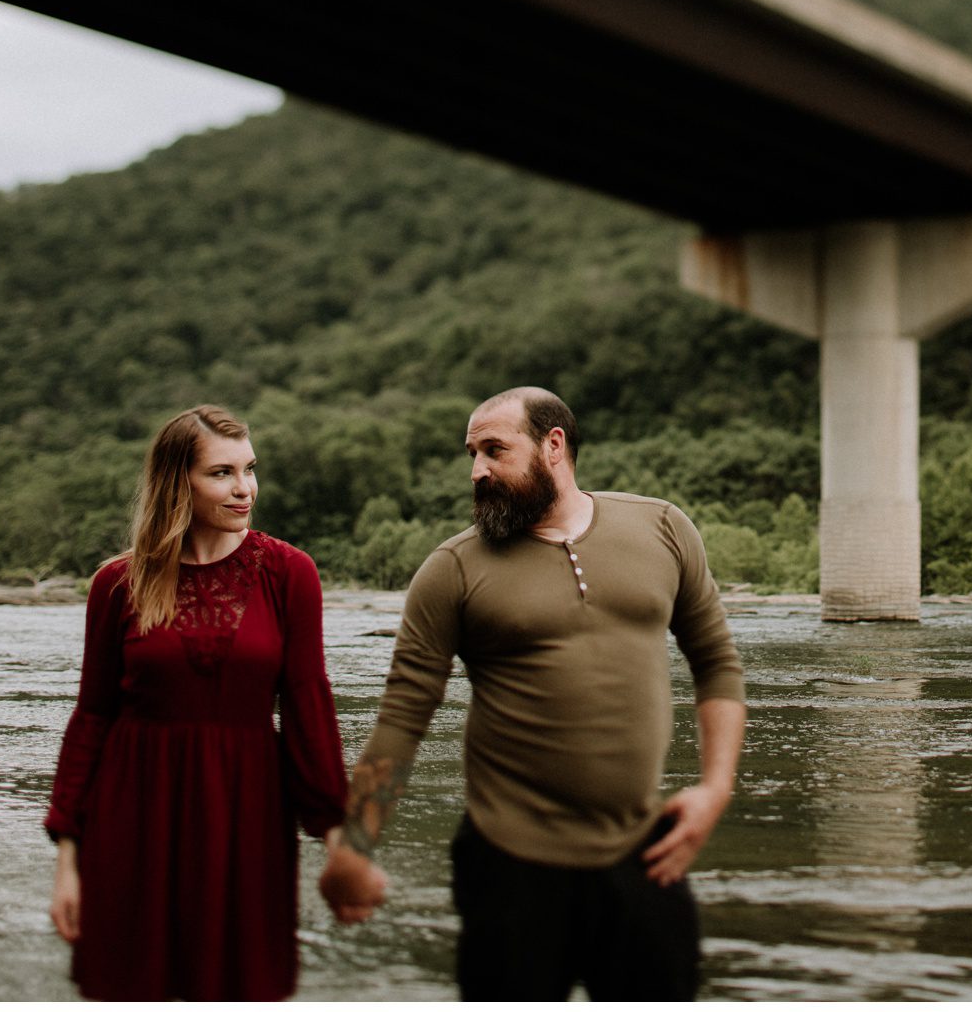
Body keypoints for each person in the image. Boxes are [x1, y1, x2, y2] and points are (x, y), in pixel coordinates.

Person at [318, 386, 747, 1001]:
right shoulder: (453, 569)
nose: (477, 471)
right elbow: (403, 716)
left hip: (644, 856)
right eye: (472, 454)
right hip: (508, 864)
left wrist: (714, 789)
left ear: (554, 446)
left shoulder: (661, 526)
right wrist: (355, 846)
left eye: (494, 450)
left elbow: (717, 662)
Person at [43, 404, 350, 1000]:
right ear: (176, 482)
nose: (245, 489)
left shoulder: (289, 573)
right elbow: (93, 716)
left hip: (246, 815)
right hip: (133, 816)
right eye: (222, 473)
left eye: (250, 469)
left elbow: (308, 704)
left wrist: (338, 838)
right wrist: (67, 860)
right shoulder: (117, 584)